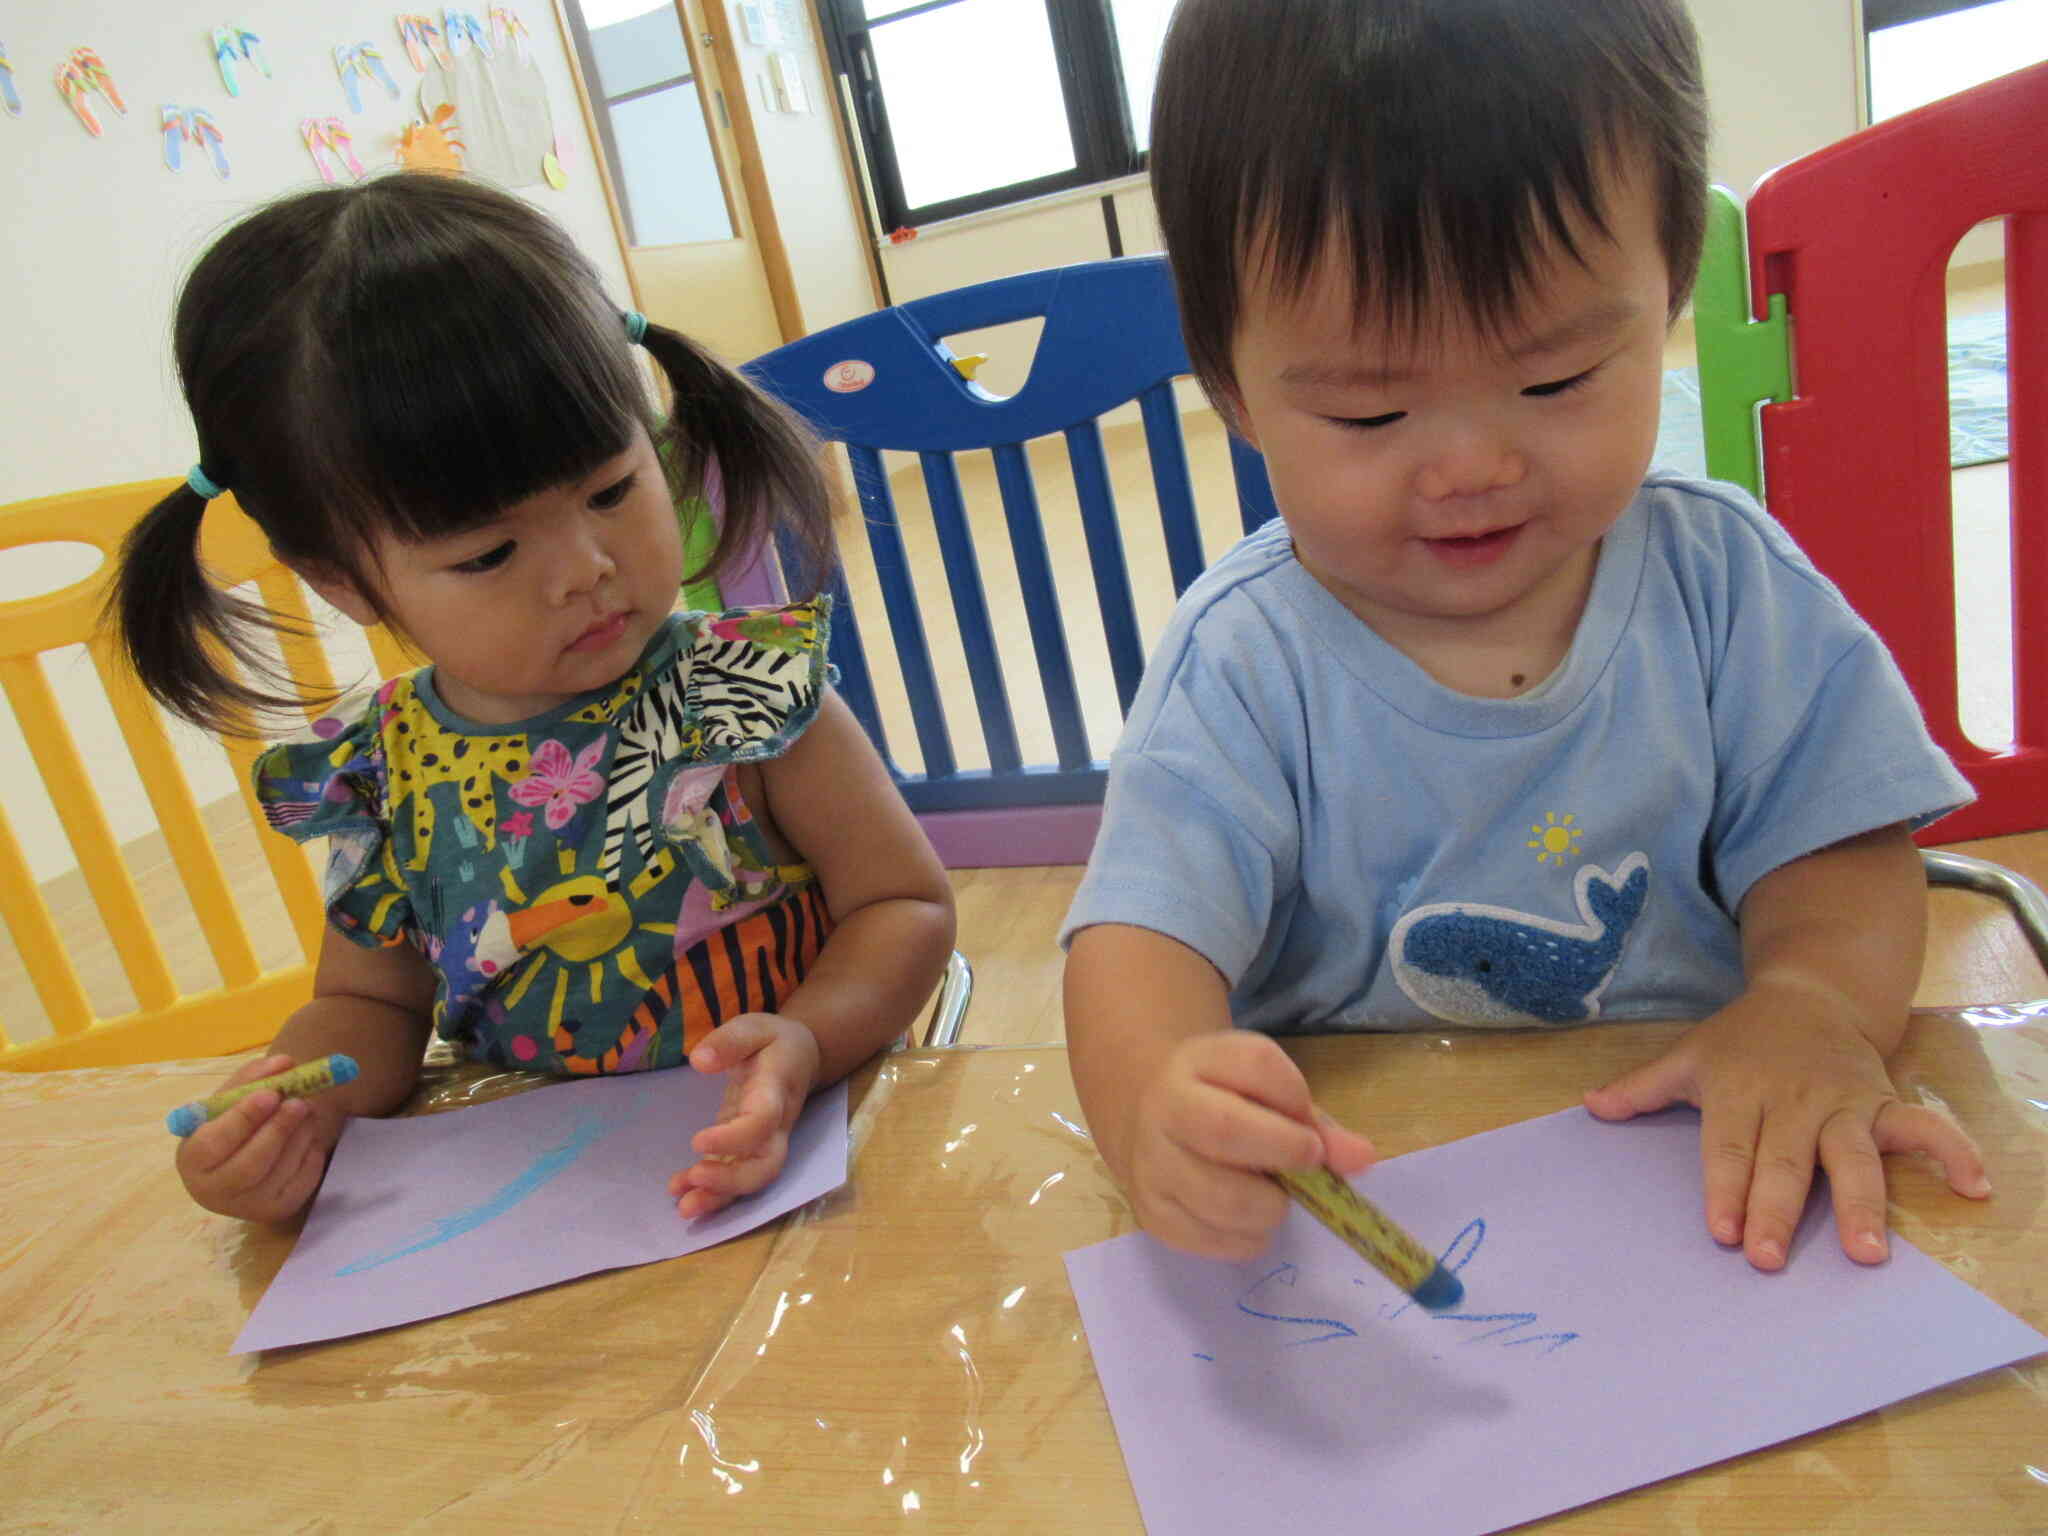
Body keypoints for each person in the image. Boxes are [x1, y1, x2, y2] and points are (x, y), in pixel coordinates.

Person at [1062, 0, 1990, 1275]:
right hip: (1369, 1210)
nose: (1471, 466)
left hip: (1695, 1189)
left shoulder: (1725, 587)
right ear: (1230, 388)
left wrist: (1810, 1006)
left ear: (1663, 298)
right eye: (1371, 413)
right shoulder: (1241, 663)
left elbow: (1839, 852)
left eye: (1553, 382)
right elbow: (1137, 943)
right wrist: (1152, 1100)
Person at [115, 173, 955, 1225]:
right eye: (490, 551)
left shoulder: (736, 692)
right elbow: (365, 1006)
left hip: (807, 1145)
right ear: (339, 578)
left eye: (612, 489)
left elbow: (903, 904)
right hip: (547, 1205)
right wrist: (290, 1108)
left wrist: (809, 1038)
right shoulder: (383, 775)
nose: (585, 568)